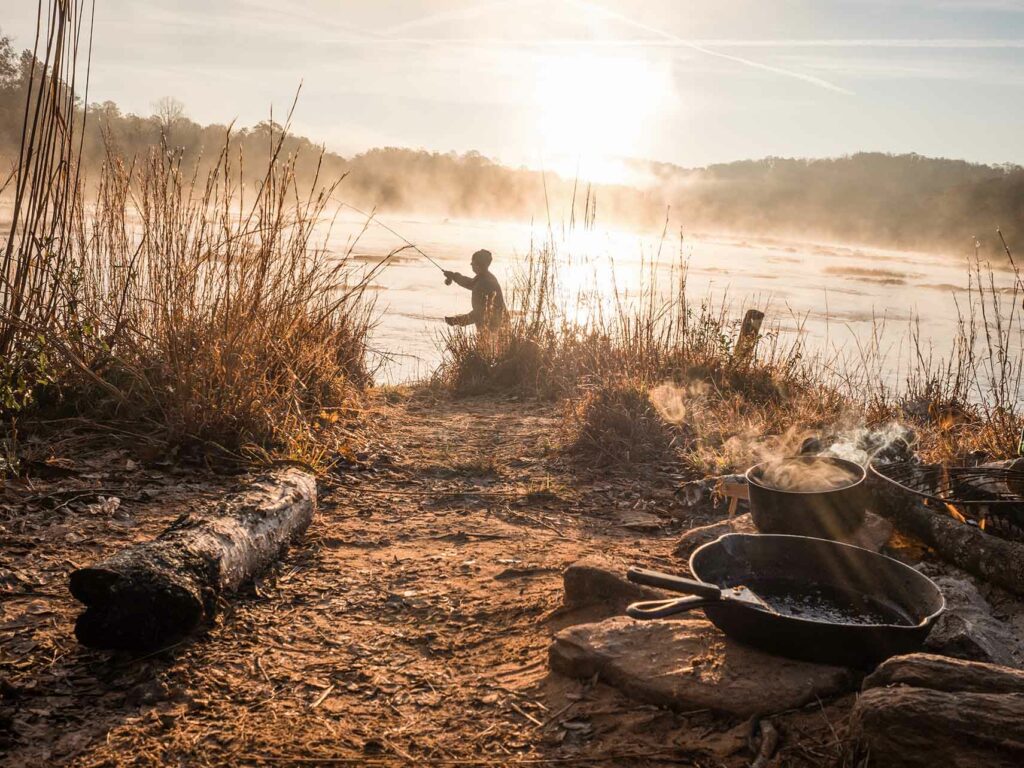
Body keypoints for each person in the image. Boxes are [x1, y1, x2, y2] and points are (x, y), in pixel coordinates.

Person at [442, 249, 507, 330]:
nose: (471, 264)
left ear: (478, 264)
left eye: (473, 262)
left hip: (493, 329)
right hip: (496, 326)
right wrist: (453, 276)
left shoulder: (484, 282)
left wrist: (456, 320)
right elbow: (470, 283)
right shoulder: (485, 277)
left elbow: (479, 313)